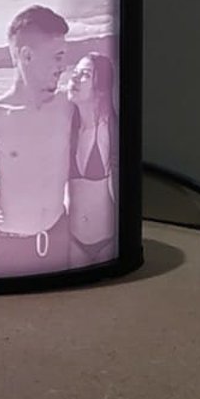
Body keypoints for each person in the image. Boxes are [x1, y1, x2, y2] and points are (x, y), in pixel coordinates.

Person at [0, 5, 75, 276]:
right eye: (57, 57)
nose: (63, 66)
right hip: (9, 248)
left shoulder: (68, 105)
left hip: (59, 236)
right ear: (26, 55)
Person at [64, 53, 117, 266]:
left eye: (84, 74)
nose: (74, 79)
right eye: (74, 73)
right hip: (74, 240)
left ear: (101, 88)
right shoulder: (67, 126)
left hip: (108, 240)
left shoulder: (109, 129)